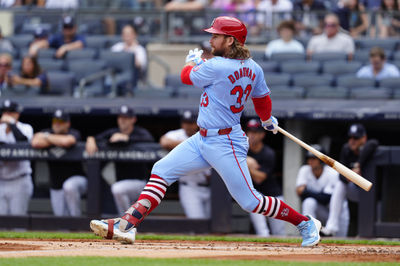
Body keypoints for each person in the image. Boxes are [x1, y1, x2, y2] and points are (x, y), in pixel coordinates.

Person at [90, 16, 321, 247]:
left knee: (250, 202)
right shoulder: (254, 67)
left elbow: (184, 77)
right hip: (202, 138)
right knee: (161, 170)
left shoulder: (216, 66)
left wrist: (192, 62)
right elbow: (262, 98)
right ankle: (128, 225)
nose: (211, 40)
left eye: (216, 36)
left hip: (226, 142)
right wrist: (266, 118)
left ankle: (305, 223)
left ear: (230, 41)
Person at [85, 105, 154, 215]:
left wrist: (128, 139)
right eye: (121, 118)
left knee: (118, 189)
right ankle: (128, 223)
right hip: (121, 181)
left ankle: (127, 222)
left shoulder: (140, 133)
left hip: (141, 183)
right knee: (118, 189)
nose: (123, 121)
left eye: (126, 118)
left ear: (133, 119)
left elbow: (150, 140)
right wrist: (90, 139)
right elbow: (96, 137)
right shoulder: (114, 132)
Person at [321, 124, 378, 236]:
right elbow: (341, 175)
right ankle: (331, 227)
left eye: (356, 138)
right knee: (340, 185)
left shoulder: (370, 148)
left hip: (372, 194)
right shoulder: (346, 150)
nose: (352, 141)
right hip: (355, 190)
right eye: (350, 138)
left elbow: (373, 143)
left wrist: (359, 165)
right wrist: (348, 176)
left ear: (364, 138)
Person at [31, 109, 87, 217]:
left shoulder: (73, 132)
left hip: (78, 180)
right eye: (55, 121)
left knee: (69, 186)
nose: (57, 124)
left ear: (67, 124)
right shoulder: (47, 131)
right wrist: (54, 139)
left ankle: (76, 219)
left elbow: (67, 141)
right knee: (60, 219)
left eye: (60, 121)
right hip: (56, 185)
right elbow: (35, 142)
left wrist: (47, 137)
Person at [160, 110, 211, 219]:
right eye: (185, 122)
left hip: (211, 187)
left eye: (191, 123)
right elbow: (164, 141)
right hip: (190, 187)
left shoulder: (205, 135)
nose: (188, 126)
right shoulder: (177, 134)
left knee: (215, 225)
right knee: (198, 222)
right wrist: (192, 147)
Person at [296, 145, 349, 237]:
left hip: (337, 214)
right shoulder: (304, 170)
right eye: (309, 158)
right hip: (320, 210)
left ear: (321, 160)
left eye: (314, 158)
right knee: (309, 202)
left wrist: (307, 192)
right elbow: (299, 192)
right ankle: (309, 233)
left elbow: (326, 198)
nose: (310, 161)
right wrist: (316, 195)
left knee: (340, 241)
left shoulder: (332, 173)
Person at [246, 119, 286, 237]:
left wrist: (244, 165)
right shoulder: (242, 150)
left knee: (279, 233)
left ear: (262, 134)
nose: (252, 135)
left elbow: (260, 178)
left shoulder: (268, 153)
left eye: (255, 132)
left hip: (273, 195)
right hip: (255, 195)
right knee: (263, 233)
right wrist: (246, 161)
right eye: (250, 132)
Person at [0, 99, 33, 215]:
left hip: (19, 180)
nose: (7, 115)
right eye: (4, 112)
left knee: (18, 225)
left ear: (17, 114)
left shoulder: (26, 128)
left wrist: (12, 124)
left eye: (10, 112)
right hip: (1, 180)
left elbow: (23, 142)